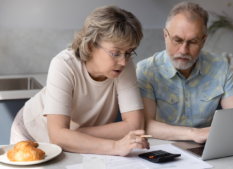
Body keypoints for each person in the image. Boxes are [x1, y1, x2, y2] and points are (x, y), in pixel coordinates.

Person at [10, 5, 149, 156]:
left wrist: (76, 134)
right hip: (31, 133)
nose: (123, 61)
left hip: (78, 140)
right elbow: (58, 136)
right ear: (90, 46)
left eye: (128, 53)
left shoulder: (124, 66)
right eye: (115, 53)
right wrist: (115, 146)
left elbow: (135, 125)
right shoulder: (64, 65)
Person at [136, 2, 233, 143]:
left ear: (203, 41)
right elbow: (146, 125)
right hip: (164, 149)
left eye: (193, 42)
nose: (183, 50)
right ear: (165, 35)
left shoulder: (220, 66)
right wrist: (194, 134)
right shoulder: (146, 71)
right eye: (177, 40)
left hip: (206, 148)